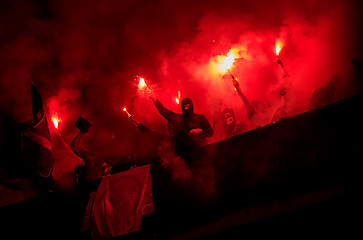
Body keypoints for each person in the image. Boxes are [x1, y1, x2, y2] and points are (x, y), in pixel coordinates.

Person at [70, 117, 107, 182]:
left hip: (102, 184)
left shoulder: (107, 154)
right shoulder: (89, 156)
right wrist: (82, 132)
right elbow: (74, 146)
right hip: (91, 185)